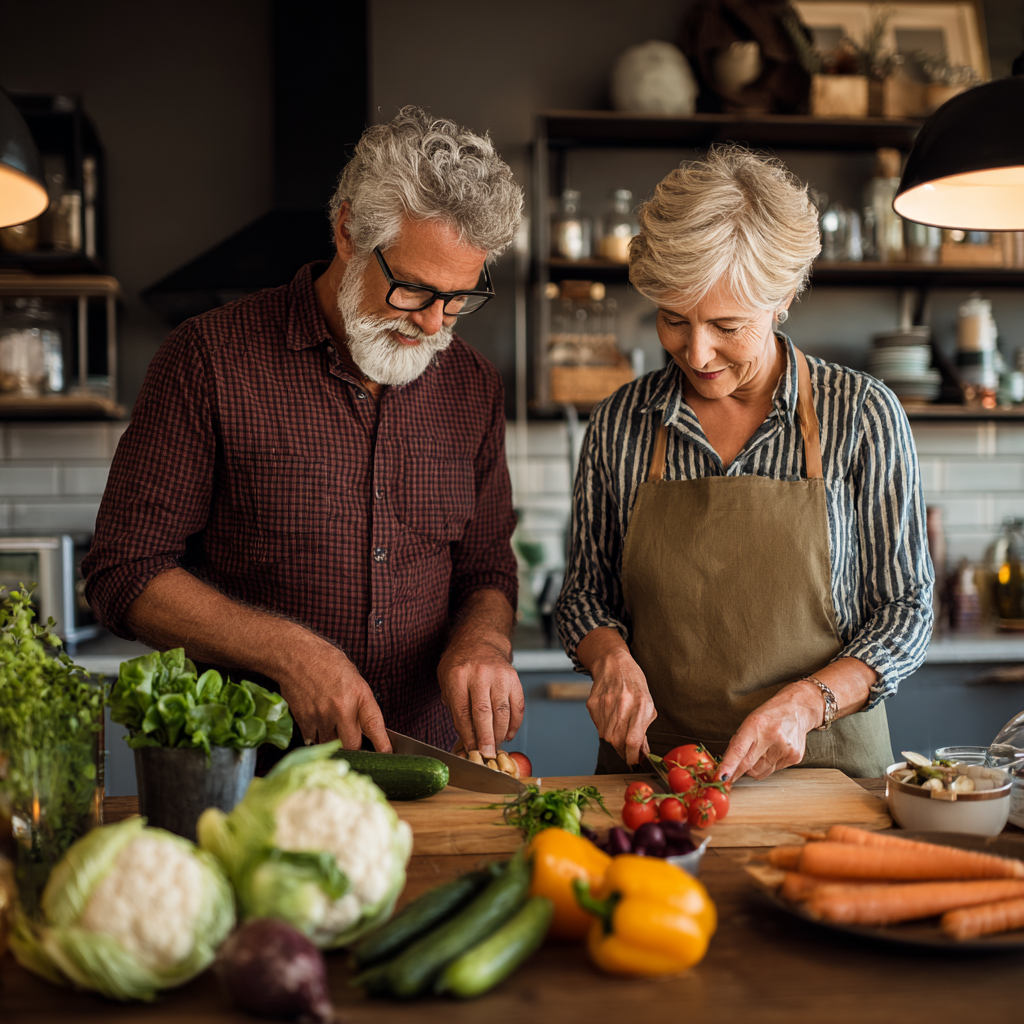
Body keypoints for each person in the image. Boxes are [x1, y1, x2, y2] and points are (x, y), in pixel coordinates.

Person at [84, 107, 525, 763]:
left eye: (459, 298)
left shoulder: (473, 385)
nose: (435, 325)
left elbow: (486, 568)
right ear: (347, 231)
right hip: (245, 770)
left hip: (426, 770)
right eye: (413, 290)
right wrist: (289, 650)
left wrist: (483, 640)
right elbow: (124, 571)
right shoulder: (207, 358)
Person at [555, 145, 933, 781]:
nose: (697, 352)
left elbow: (907, 609)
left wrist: (811, 702)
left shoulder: (863, 414)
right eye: (674, 320)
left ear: (782, 297)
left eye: (727, 325)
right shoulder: (621, 422)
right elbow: (585, 596)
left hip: (828, 773)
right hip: (657, 777)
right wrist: (610, 660)